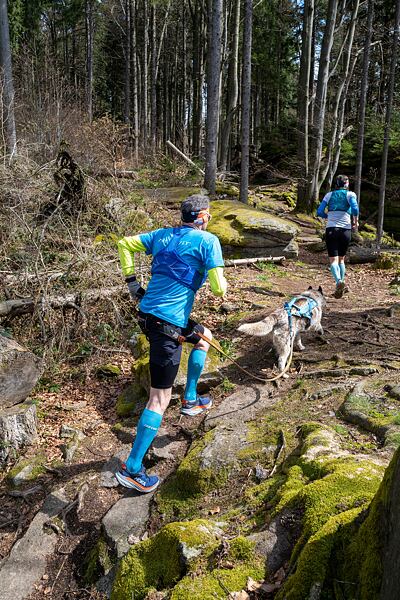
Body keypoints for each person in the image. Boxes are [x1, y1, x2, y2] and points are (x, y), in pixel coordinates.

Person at [115, 194, 227, 493]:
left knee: (204, 337)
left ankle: (190, 400)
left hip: (151, 314)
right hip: (167, 326)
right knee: (159, 399)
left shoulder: (161, 236)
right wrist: (216, 278)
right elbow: (218, 290)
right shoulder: (208, 241)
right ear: (202, 217)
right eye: (210, 215)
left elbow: (125, 243)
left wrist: (131, 283)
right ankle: (132, 468)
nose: (210, 219)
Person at [316, 175, 359, 299]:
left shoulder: (329, 195)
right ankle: (342, 283)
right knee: (341, 259)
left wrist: (328, 217)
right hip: (346, 231)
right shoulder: (351, 194)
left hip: (331, 230)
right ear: (346, 184)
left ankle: (339, 282)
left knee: (333, 261)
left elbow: (319, 211)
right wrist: (355, 221)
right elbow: (355, 209)